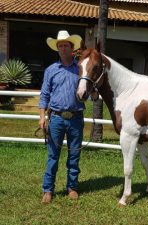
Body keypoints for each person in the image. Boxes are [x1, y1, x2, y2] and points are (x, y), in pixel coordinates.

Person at [39, 30, 85, 203]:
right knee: (53, 155)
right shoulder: (51, 70)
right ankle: (48, 190)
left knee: (74, 155)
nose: (63, 48)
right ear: (57, 49)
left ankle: (72, 187)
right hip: (56, 118)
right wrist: (42, 117)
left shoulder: (80, 69)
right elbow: (44, 95)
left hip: (76, 118)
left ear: (72, 48)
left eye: (66, 45)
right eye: (60, 46)